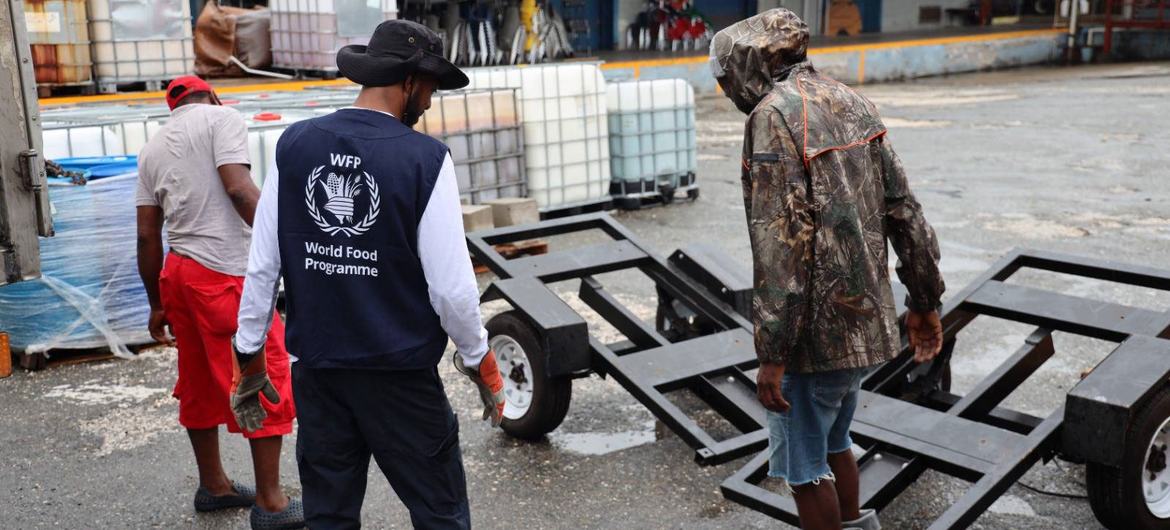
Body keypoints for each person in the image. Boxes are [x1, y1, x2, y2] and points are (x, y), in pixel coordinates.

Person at [230, 19, 506, 530]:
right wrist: (479, 358)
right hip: (400, 378)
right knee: (439, 512)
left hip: (320, 375)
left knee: (329, 516)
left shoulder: (294, 145)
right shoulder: (425, 160)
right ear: (408, 81)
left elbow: (264, 263)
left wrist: (248, 355)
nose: (427, 104)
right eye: (428, 90)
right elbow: (451, 288)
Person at [711, 9, 946, 530]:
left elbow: (782, 244)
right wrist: (924, 303)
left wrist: (772, 353)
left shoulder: (772, 116)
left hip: (812, 340)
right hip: (863, 326)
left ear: (748, 66)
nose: (727, 91)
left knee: (804, 468)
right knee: (836, 442)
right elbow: (905, 211)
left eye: (726, 79)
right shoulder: (851, 100)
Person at [135, 75, 304, 529]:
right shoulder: (222, 117)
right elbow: (238, 188)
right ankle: (271, 502)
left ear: (173, 107)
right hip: (224, 273)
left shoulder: (151, 149)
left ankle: (214, 486)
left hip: (179, 275)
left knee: (198, 379)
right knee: (261, 370)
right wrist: (288, 249)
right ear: (210, 94)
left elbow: (148, 234)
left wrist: (155, 303)